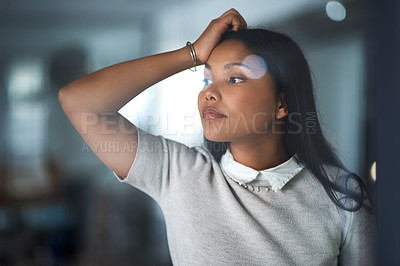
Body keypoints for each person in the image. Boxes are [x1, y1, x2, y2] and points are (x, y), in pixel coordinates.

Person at [59, 9, 375, 266]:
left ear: (281, 104)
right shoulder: (179, 173)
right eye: (207, 78)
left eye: (234, 78)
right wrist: (192, 53)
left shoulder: (342, 196)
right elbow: (78, 101)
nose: (209, 93)